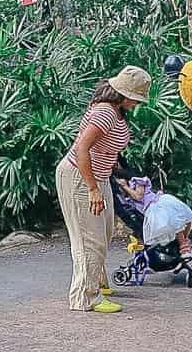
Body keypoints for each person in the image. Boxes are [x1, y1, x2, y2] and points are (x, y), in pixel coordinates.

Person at [56, 66, 150, 313]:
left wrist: (117, 180)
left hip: (99, 177)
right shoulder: (105, 112)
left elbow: (106, 152)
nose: (137, 103)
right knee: (90, 240)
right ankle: (85, 297)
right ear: (125, 94)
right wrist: (92, 189)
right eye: (137, 97)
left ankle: (97, 281)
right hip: (80, 177)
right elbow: (82, 149)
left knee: (104, 232)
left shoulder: (115, 111)